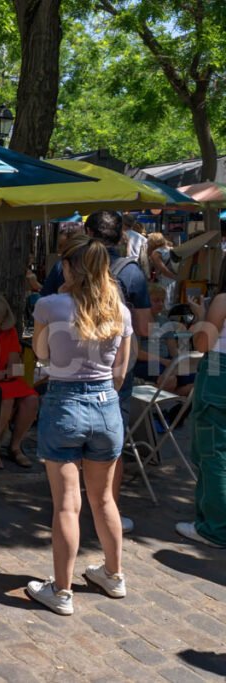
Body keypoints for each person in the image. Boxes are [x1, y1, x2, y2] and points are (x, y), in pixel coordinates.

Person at [26, 233, 134, 615]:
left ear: (70, 268)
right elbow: (121, 371)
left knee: (67, 506)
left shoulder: (49, 304)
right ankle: (114, 574)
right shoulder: (120, 311)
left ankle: (61, 590)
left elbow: (40, 353)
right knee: (104, 498)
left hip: (65, 402)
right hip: (107, 405)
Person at [41, 211, 152, 535]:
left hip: (65, 374)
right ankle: (106, 509)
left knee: (67, 441)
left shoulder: (62, 268)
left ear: (87, 231)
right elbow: (144, 325)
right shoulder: (132, 274)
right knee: (107, 447)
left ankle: (68, 508)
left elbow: (45, 311)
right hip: (112, 374)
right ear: (121, 237)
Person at [177, 283, 226, 548]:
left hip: (219, 375)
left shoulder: (222, 300)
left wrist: (200, 315)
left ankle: (214, 528)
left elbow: (202, 344)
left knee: (212, 453)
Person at [0, 293, 38, 468]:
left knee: (32, 399)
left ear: (3, 318)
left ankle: (15, 446)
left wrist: (2, 374)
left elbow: (17, 369)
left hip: (4, 377)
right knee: (6, 399)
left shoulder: (8, 333)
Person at [148, 232, 178, 305]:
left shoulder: (156, 253)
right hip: (175, 281)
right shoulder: (172, 249)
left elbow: (163, 270)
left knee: (166, 304)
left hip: (165, 281)